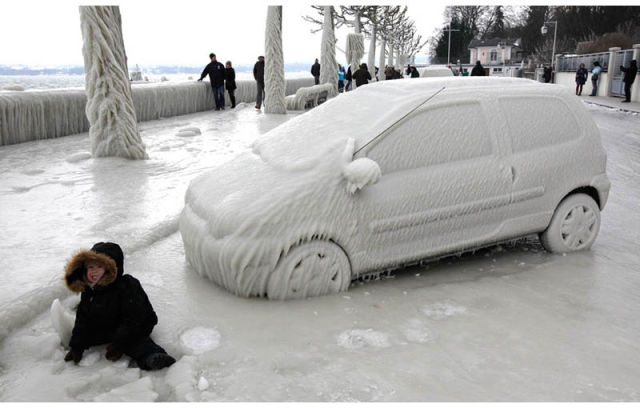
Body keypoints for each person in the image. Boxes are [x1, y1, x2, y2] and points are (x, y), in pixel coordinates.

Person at [63, 242, 175, 371]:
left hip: (136, 324)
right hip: (108, 325)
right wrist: (77, 347)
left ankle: (152, 356)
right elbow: (83, 319)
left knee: (136, 341)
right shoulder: (90, 291)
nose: (94, 271)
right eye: (90, 267)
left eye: (99, 266)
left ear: (111, 268)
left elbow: (135, 319)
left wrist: (119, 344)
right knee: (88, 332)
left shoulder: (126, 286)